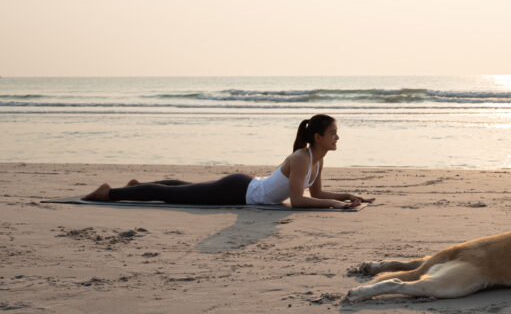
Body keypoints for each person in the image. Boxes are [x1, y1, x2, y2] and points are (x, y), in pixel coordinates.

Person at [82, 114, 374, 209]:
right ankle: (110, 193)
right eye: (334, 133)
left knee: (185, 189)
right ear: (319, 137)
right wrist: (337, 206)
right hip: (238, 191)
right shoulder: (301, 157)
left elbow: (317, 194)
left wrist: (345, 196)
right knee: (174, 196)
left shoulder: (317, 159)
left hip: (246, 187)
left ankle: (139, 186)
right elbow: (297, 201)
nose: (338, 138)